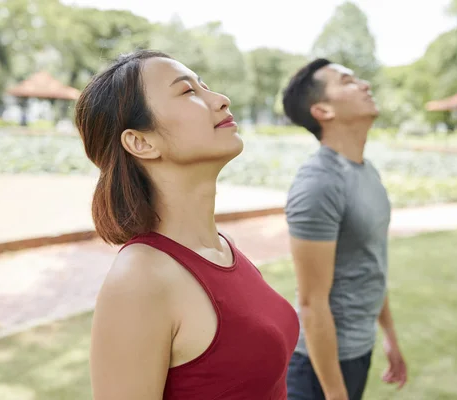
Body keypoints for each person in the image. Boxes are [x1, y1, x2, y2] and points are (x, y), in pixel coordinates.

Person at [74, 49, 300, 400]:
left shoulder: (222, 248)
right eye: (188, 91)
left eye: (205, 86)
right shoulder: (139, 280)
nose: (221, 100)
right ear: (141, 142)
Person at [281, 59, 408, 400]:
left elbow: (371, 262)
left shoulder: (367, 172)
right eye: (348, 81)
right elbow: (311, 303)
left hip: (357, 349)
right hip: (317, 368)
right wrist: (336, 395)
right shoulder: (319, 184)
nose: (365, 84)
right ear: (322, 109)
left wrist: (390, 336)